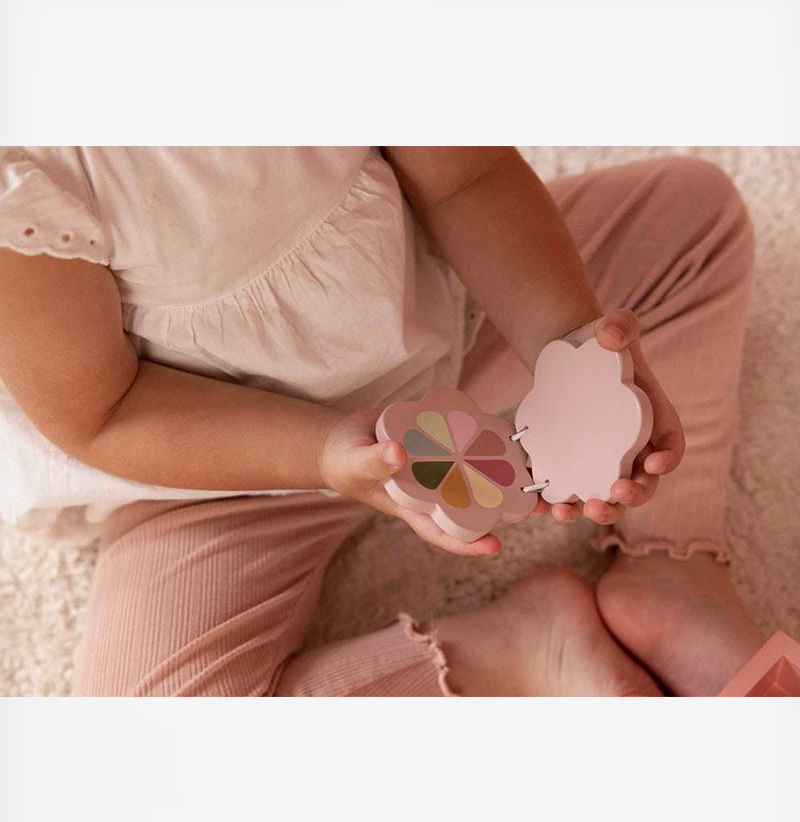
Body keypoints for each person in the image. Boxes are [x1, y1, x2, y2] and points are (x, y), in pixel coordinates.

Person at [0, 146, 765, 696]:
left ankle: (673, 566)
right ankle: (516, 652)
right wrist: (323, 454)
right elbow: (107, 411)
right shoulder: (29, 169)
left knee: (695, 216)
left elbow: (469, 179)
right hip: (225, 462)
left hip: (438, 320)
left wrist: (568, 352)